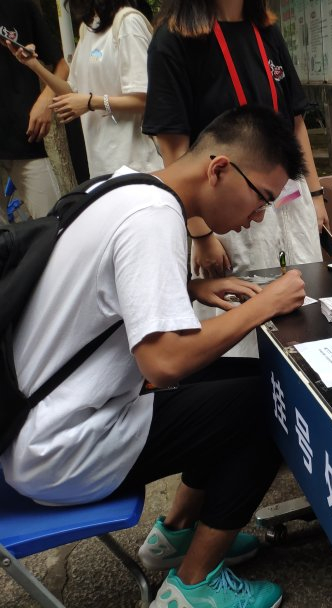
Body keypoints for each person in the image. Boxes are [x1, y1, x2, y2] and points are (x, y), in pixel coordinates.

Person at [0, 105, 306, 608]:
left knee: (241, 379)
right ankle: (194, 585)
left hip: (32, 424)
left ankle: (178, 533)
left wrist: (189, 288)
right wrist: (265, 305)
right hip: (64, 448)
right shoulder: (154, 219)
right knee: (272, 400)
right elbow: (164, 364)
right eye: (262, 199)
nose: (258, 217)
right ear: (219, 168)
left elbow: (97, 291)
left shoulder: (122, 186)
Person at [143, 0, 327, 358]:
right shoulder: (173, 41)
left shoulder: (266, 30)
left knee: (308, 300)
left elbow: (295, 122)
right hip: (228, 207)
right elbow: (175, 149)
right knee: (244, 317)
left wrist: (315, 194)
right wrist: (201, 234)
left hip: (290, 194)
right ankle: (248, 386)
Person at [10, 0, 161, 177]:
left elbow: (146, 99)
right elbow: (72, 92)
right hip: (101, 168)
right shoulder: (88, 28)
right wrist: (34, 65)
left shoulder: (128, 23)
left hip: (137, 166)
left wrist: (91, 102)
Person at [0, 0, 65, 222]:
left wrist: (46, 99)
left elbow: (61, 64)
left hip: (26, 136)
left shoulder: (17, 4)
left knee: (55, 225)